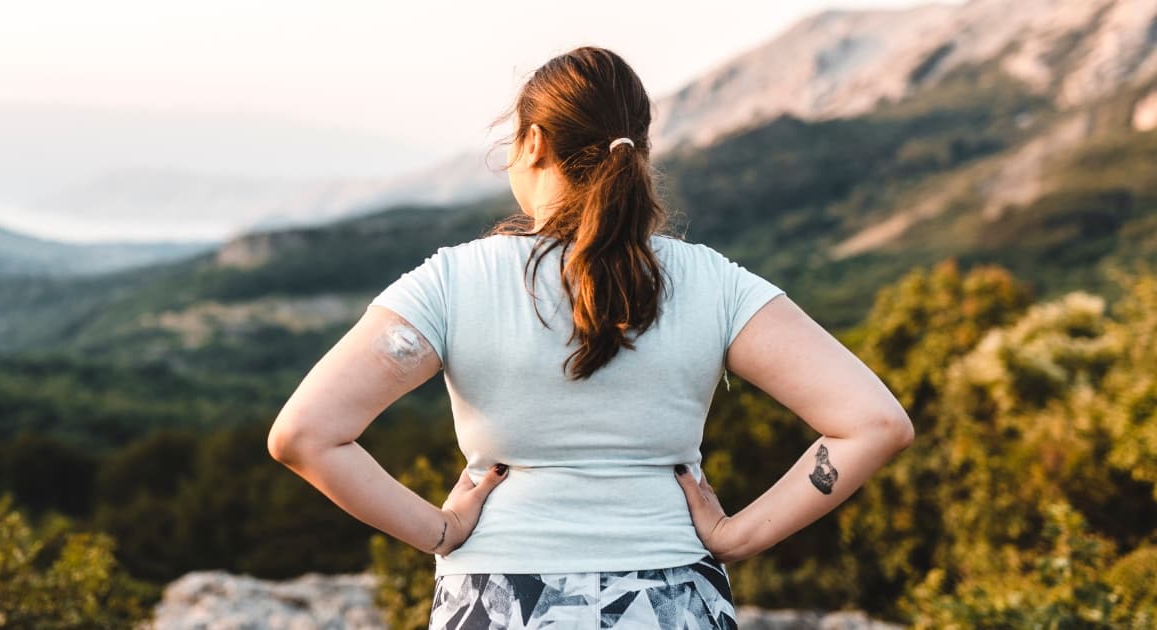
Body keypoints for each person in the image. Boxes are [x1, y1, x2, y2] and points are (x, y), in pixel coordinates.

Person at [266, 46, 914, 629]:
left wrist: (439, 528)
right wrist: (740, 534)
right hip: (672, 601)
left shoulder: (453, 282)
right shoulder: (713, 282)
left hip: (499, 601)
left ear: (536, 141)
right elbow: (874, 424)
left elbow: (304, 435)